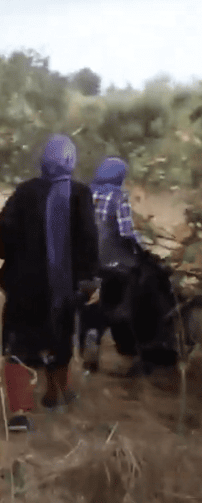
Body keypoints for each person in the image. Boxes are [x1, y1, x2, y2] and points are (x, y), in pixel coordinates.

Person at [0, 134, 99, 432]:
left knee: (17, 343)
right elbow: (89, 240)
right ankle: (55, 395)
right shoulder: (79, 194)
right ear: (71, 161)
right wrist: (89, 280)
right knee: (59, 338)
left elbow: (4, 227)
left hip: (24, 287)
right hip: (62, 289)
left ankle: (19, 413)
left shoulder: (25, 192)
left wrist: (13, 259)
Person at [80, 157, 180, 377]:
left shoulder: (86, 195)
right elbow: (127, 233)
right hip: (117, 263)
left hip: (88, 263)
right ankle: (144, 347)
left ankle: (92, 343)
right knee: (143, 291)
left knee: (94, 310)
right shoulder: (117, 196)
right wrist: (146, 250)